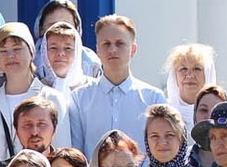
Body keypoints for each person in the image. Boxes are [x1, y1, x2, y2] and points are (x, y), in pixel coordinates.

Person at [0, 23, 73, 160]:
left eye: (17, 49)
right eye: (3, 51)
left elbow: (62, 155)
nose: (10, 56)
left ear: (31, 53)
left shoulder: (53, 98)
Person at [69, 14, 167, 157]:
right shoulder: (79, 98)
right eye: (106, 44)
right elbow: (77, 153)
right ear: (98, 50)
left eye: (120, 43)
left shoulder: (153, 98)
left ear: (133, 49)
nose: (113, 49)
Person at [161, 43, 217, 124]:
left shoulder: (221, 112)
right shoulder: (163, 113)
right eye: (183, 69)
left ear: (207, 74)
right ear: (174, 75)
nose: (190, 75)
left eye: (197, 69)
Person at [38, 20, 91, 93]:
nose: (60, 53)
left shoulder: (93, 89)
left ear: (77, 52)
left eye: (68, 48)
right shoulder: (36, 90)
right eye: (53, 48)